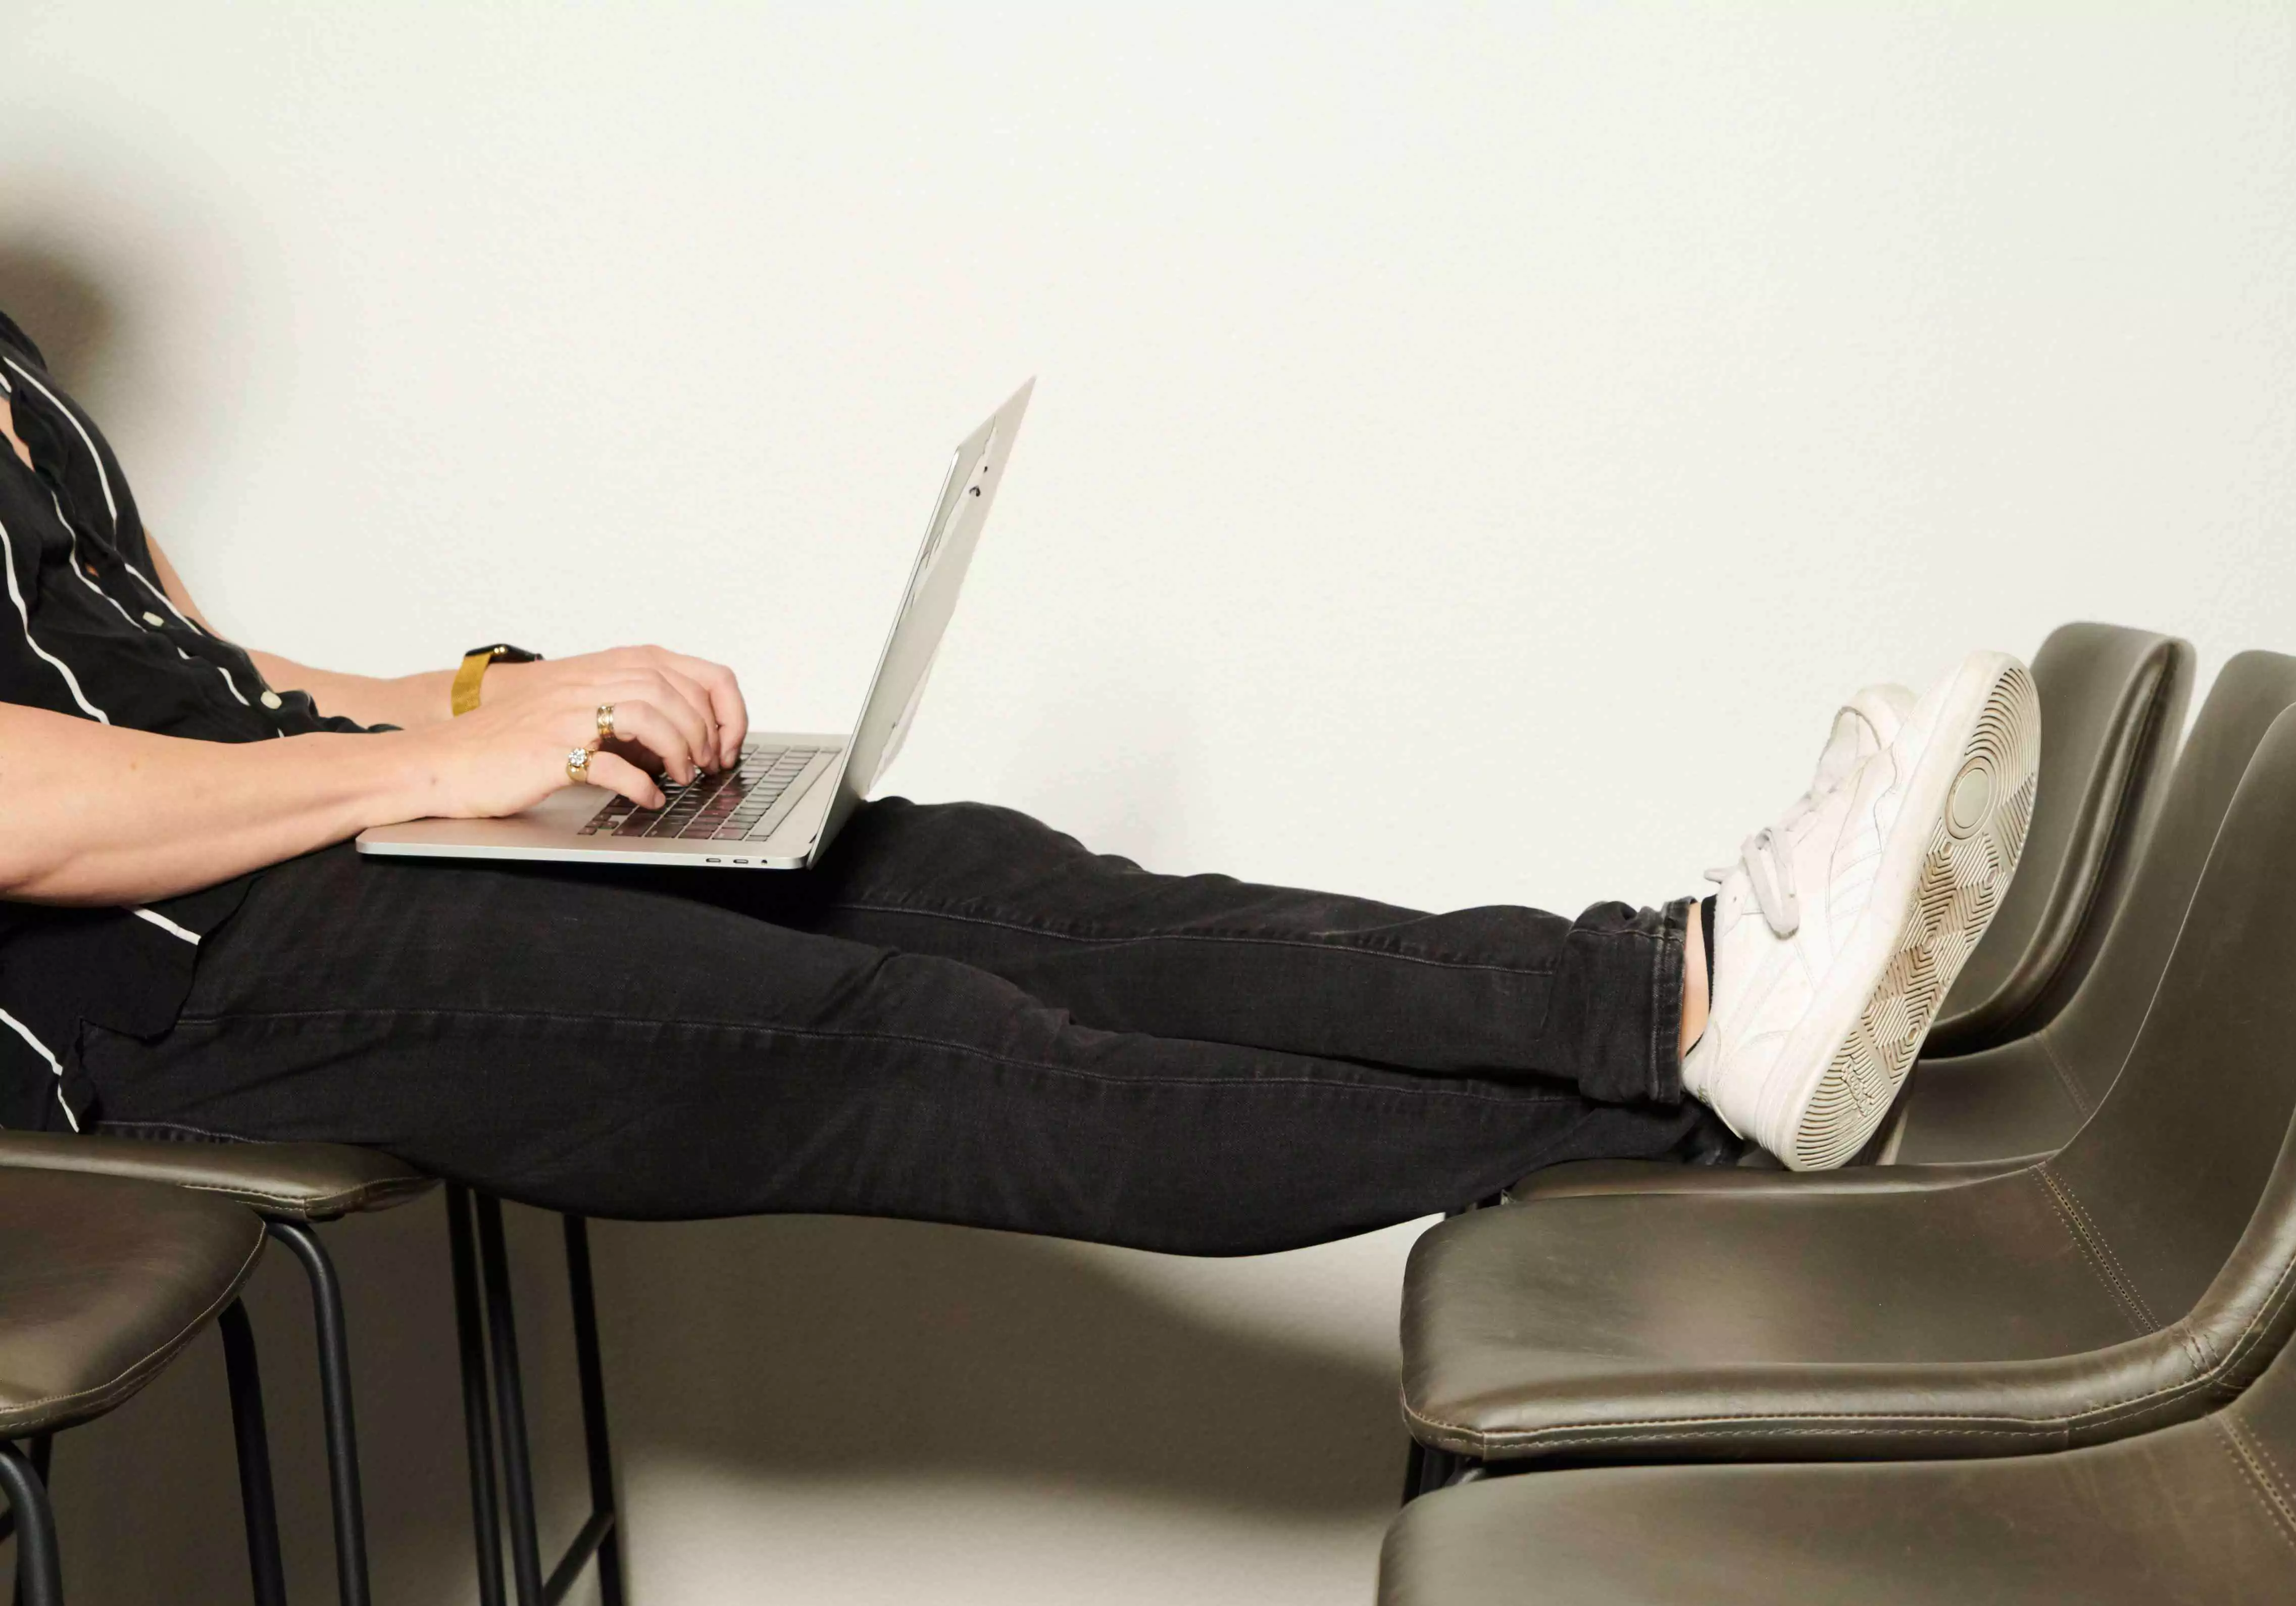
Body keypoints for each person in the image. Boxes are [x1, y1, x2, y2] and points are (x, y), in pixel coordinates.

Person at [0, 307, 2034, 1255]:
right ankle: (1698, 1155)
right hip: (157, 987)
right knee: (912, 1039)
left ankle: (1673, 987)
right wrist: (445, 766)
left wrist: (497, 702)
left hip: (289, 835)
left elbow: (180, 663)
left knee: (981, 885)